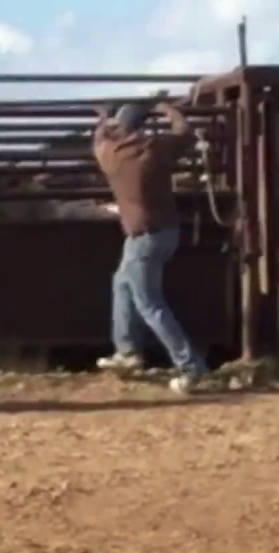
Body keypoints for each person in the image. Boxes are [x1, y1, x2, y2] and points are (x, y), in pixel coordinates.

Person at [92, 101, 209, 394]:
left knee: (149, 303)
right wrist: (167, 109)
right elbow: (185, 132)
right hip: (166, 231)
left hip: (141, 237)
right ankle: (127, 351)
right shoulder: (155, 148)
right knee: (122, 283)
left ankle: (190, 366)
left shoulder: (111, 155)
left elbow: (98, 140)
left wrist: (102, 119)